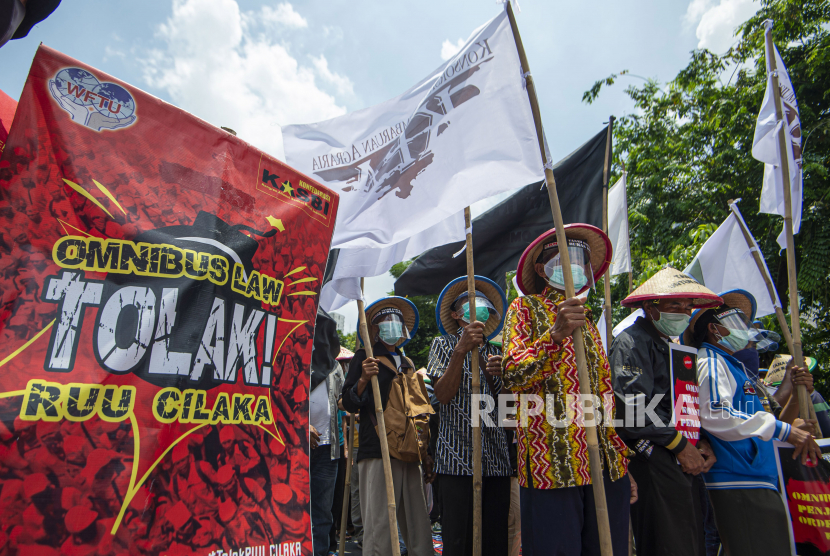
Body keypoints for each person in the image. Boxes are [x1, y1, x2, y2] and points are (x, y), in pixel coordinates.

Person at [503, 224, 635, 556]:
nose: (573, 266)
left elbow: (604, 403)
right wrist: (555, 335)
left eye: (580, 260)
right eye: (560, 259)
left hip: (605, 468)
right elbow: (512, 374)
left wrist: (620, 463)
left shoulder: (590, 324)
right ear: (540, 268)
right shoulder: (525, 310)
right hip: (554, 464)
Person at [686, 291, 821, 556]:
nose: (744, 328)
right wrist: (783, 429)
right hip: (737, 479)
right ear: (715, 329)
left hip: (755, 476)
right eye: (736, 321)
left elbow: (755, 424)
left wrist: (790, 428)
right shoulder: (711, 362)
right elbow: (717, 415)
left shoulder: (731, 365)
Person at [609, 266, 720, 556]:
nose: (683, 312)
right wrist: (681, 445)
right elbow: (632, 409)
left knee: (689, 539)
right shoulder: (631, 342)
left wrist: (699, 441)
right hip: (653, 455)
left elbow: (682, 405)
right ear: (651, 306)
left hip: (683, 457)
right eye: (674, 305)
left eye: (688, 306)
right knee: (668, 543)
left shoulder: (674, 348)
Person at [341, 297, 434, 556]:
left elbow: (419, 411)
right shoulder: (365, 357)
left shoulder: (408, 363)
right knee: (380, 520)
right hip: (377, 448)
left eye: (396, 321)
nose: (392, 325)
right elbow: (347, 402)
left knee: (417, 519)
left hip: (408, 448)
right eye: (385, 321)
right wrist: (362, 379)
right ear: (374, 328)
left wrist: (425, 453)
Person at [426, 275, 511, 556]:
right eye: (470, 303)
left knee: (493, 539)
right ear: (455, 314)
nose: (479, 308)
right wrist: (461, 352)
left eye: (483, 304)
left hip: (496, 461)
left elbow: (508, 412)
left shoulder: (496, 352)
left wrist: (502, 375)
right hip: (456, 460)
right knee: (458, 540)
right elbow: (443, 395)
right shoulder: (443, 345)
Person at [309, 308, 345, 556]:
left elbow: (339, 402)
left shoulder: (335, 369)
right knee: (292, 504)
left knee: (322, 511)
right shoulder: (292, 361)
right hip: (295, 446)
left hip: (328, 447)